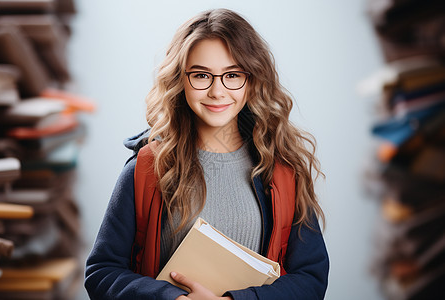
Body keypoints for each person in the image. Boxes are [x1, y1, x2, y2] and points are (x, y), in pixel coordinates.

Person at [84, 8, 329, 300]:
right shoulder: (147, 169)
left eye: (233, 75)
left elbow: (311, 279)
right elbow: (101, 272)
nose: (217, 91)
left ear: (252, 80)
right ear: (180, 79)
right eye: (201, 75)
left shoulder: (285, 172)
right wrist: (170, 298)